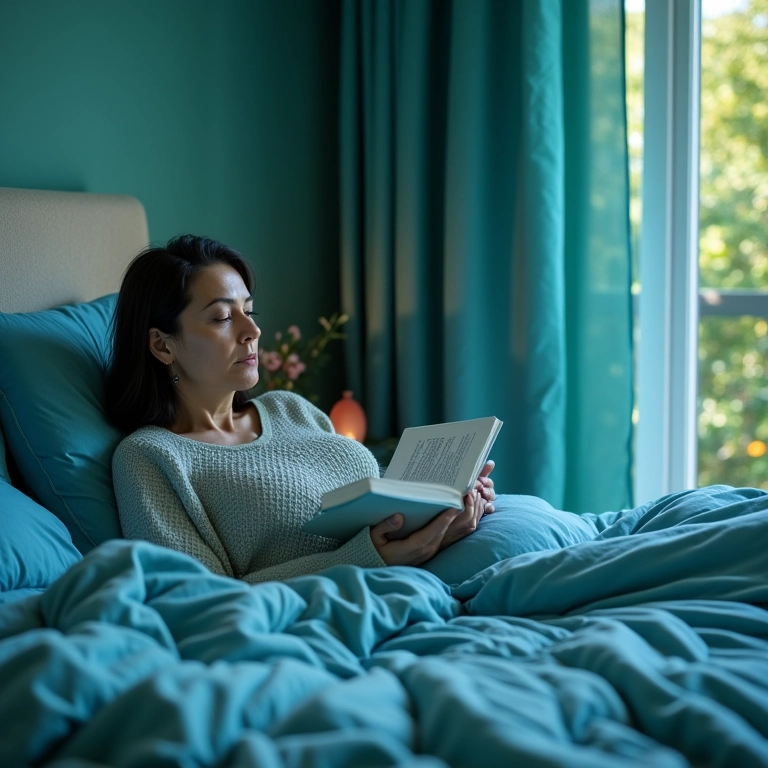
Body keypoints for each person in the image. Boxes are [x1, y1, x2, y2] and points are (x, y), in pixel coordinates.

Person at [107, 235, 496, 584]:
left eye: (249, 311)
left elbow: (378, 501)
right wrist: (369, 559)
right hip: (334, 614)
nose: (252, 331)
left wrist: (447, 504)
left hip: (427, 581)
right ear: (162, 346)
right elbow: (199, 598)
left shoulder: (289, 408)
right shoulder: (151, 458)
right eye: (223, 317)